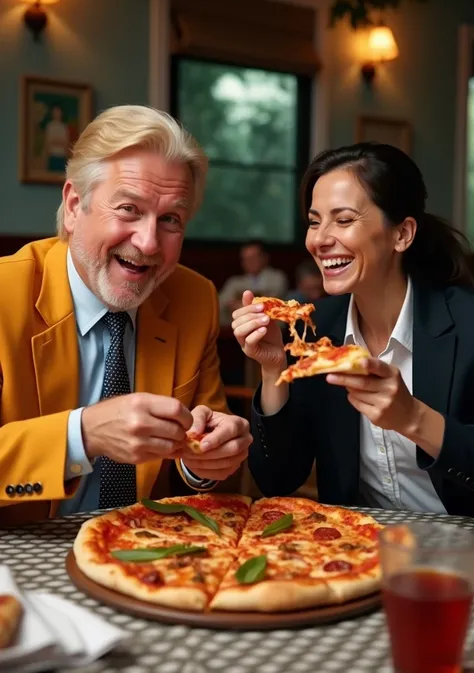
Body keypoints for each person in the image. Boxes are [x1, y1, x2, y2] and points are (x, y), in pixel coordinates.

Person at [0, 105, 252, 528]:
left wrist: (208, 459)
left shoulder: (194, 299)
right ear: (75, 204)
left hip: (143, 557)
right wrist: (83, 436)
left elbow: (207, 462)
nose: (149, 242)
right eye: (129, 209)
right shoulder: (5, 295)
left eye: (170, 219)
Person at [232, 142, 474, 517]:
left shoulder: (466, 322)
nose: (320, 239)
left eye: (343, 220)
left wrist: (414, 419)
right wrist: (273, 368)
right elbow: (277, 478)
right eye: (314, 221)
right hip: (354, 549)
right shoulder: (314, 331)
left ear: (402, 234)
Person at [219, 240, 288, 325]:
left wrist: (240, 304)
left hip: (271, 326)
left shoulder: (277, 278)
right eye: (246, 259)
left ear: (264, 258)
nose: (249, 262)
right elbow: (223, 303)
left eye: (253, 258)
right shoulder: (234, 282)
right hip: (239, 327)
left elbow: (274, 302)